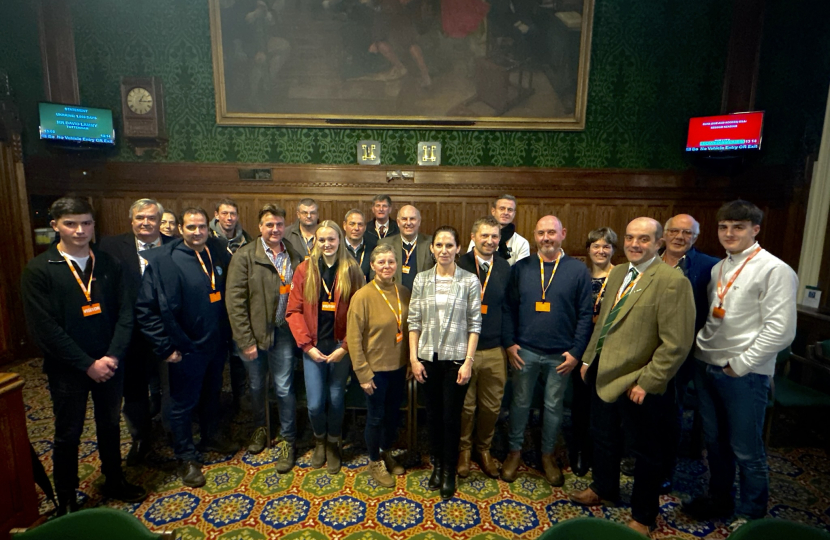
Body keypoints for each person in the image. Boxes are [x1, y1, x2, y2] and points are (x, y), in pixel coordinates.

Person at [569, 217, 695, 537]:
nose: (634, 244)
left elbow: (676, 343)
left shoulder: (672, 281)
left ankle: (643, 515)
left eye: (643, 239)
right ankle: (604, 488)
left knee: (646, 452)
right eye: (629, 237)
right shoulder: (620, 273)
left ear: (658, 243)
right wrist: (588, 360)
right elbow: (605, 323)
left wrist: (648, 382)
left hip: (639, 382)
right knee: (603, 436)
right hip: (603, 371)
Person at [21, 196, 146, 515]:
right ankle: (65, 496)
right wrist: (87, 364)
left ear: (94, 225)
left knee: (109, 424)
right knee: (68, 433)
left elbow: (125, 313)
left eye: (86, 223)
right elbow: (45, 329)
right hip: (69, 369)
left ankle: (114, 479)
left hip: (110, 362)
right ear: (55, 227)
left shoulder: (108, 264)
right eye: (71, 223)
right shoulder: (38, 270)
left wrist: (113, 356)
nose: (80, 230)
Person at [683, 200, 797, 530]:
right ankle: (719, 498)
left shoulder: (774, 269)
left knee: (746, 449)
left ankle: (752, 516)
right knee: (715, 443)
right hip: (707, 364)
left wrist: (741, 364)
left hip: (743, 375)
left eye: (738, 227)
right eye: (723, 227)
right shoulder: (720, 268)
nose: (729, 233)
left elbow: (782, 330)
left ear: (755, 229)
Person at [136, 207, 239, 488]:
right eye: (191, 227)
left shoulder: (216, 250)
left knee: (212, 393)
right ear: (180, 228)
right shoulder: (163, 261)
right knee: (181, 404)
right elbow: (146, 310)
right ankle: (186, 456)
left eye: (202, 227)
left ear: (209, 227)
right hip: (183, 347)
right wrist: (165, 347)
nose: (197, 232)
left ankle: (211, 436)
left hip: (216, 343)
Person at [501, 216, 593, 486]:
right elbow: (508, 307)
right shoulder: (522, 268)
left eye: (551, 232)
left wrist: (576, 352)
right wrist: (509, 343)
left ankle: (547, 455)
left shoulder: (577, 270)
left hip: (561, 355)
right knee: (519, 403)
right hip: (524, 351)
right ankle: (514, 452)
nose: (546, 238)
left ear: (563, 233)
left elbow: (586, 315)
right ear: (534, 235)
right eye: (541, 233)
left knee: (553, 406)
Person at [226, 205, 303, 471]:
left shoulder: (293, 254)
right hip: (254, 335)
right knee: (257, 386)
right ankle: (260, 427)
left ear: (285, 226)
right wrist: (245, 340)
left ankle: (288, 437)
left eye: (279, 224)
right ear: (260, 227)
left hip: (283, 333)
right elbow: (235, 303)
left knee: (283, 387)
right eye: (269, 225)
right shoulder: (245, 256)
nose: (275, 229)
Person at [98, 198, 173, 466]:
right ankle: (141, 439)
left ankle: (173, 434)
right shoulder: (110, 247)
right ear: (131, 220)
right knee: (135, 390)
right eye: (140, 217)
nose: (145, 222)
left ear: (159, 221)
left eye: (151, 218)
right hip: (130, 333)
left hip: (166, 332)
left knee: (170, 386)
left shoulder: (174, 245)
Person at [408, 226, 482, 500]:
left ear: (459, 248)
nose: (444, 250)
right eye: (439, 245)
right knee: (434, 416)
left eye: (449, 245)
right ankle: (437, 465)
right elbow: (413, 321)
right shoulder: (421, 280)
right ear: (432, 248)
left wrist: (468, 362)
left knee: (451, 417)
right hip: (427, 359)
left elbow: (475, 324)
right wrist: (414, 358)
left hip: (456, 360)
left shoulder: (469, 281)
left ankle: (449, 470)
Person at [287, 220, 365, 474]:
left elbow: (359, 314)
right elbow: (293, 311)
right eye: (322, 240)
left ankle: (333, 441)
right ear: (315, 242)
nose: (327, 244)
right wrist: (307, 346)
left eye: (332, 239)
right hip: (314, 347)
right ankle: (319, 438)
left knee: (336, 397)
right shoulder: (304, 269)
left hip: (341, 347)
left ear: (339, 240)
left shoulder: (352, 269)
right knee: (315, 403)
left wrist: (345, 347)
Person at [658, 214, 719, 491]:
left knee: (671, 413)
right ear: (665, 234)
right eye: (674, 231)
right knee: (647, 409)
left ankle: (664, 470)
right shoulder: (650, 261)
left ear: (695, 237)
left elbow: (714, 313)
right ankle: (645, 458)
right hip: (648, 350)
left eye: (687, 233)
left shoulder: (709, 267)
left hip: (684, 354)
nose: (679, 237)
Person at [347, 243, 411, 487]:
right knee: (376, 417)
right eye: (381, 262)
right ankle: (374, 460)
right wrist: (363, 373)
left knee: (393, 416)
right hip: (374, 371)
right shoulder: (362, 296)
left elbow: (406, 330)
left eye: (391, 262)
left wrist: (408, 362)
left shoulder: (403, 292)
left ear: (397, 265)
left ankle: (386, 451)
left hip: (398, 367)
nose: (387, 266)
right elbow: (353, 338)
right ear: (372, 266)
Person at [457, 216, 511, 479]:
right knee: (466, 407)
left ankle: (484, 449)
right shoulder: (459, 264)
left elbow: (509, 309)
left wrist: (509, 344)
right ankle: (464, 451)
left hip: (494, 349)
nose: (490, 241)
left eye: (494, 237)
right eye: (485, 236)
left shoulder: (505, 268)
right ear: (473, 237)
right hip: (463, 349)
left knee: (491, 407)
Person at [569, 226, 617, 477]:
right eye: (596, 246)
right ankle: (579, 450)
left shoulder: (620, 278)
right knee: (581, 403)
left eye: (606, 246)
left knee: (605, 406)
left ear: (613, 250)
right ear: (588, 250)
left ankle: (602, 455)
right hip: (581, 346)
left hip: (608, 349)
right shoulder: (581, 276)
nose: (601, 251)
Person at [209, 197, 251, 412]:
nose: (229, 218)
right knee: (215, 358)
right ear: (216, 214)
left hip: (237, 305)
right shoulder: (207, 239)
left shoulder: (247, 240)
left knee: (237, 353)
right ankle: (213, 402)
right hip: (213, 305)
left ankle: (239, 395)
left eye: (232, 214)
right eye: (224, 213)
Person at [378, 204, 434, 291]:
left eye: (412, 219)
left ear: (419, 222)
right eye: (404, 219)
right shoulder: (385, 244)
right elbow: (376, 274)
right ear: (398, 222)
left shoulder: (431, 244)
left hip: (423, 298)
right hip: (394, 297)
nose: (408, 223)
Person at [467, 195, 530, 266]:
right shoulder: (479, 237)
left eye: (510, 210)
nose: (506, 213)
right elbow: (470, 263)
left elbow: (521, 271)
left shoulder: (522, 243)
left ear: (514, 214)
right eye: (502, 208)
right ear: (493, 211)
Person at [343, 208, 376, 281]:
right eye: (352, 224)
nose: (356, 228)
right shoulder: (337, 247)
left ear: (365, 227)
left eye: (360, 224)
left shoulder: (373, 248)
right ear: (344, 225)